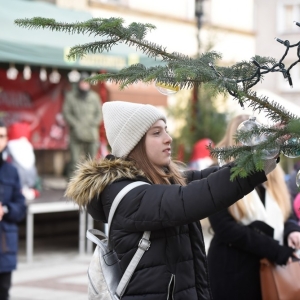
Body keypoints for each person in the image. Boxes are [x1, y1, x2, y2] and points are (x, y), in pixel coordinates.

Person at [65, 101, 278, 300]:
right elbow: (199, 196)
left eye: (165, 130)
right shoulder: (128, 196)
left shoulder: (163, 182)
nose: (168, 138)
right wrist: (259, 159)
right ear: (134, 144)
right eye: (157, 133)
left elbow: (211, 177)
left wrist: (264, 150)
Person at [206, 114, 300, 300]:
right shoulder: (220, 173)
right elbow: (225, 227)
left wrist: (292, 231)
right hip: (233, 270)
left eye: (258, 135)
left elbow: (285, 213)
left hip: (272, 269)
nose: (255, 141)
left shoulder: (273, 173)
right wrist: (275, 250)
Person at [0, 121, 26, 300]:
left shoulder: (11, 171)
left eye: (1, 136)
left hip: (4, 247)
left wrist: (5, 210)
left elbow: (21, 207)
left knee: (3, 291)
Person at [62, 72, 102, 178]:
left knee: (91, 161)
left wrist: (93, 123)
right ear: (78, 84)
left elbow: (99, 113)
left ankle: (89, 183)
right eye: (82, 83)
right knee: (75, 161)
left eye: (86, 83)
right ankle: (72, 185)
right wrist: (75, 125)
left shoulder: (94, 97)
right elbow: (66, 113)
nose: (84, 85)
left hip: (91, 133)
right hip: (76, 134)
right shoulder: (71, 97)